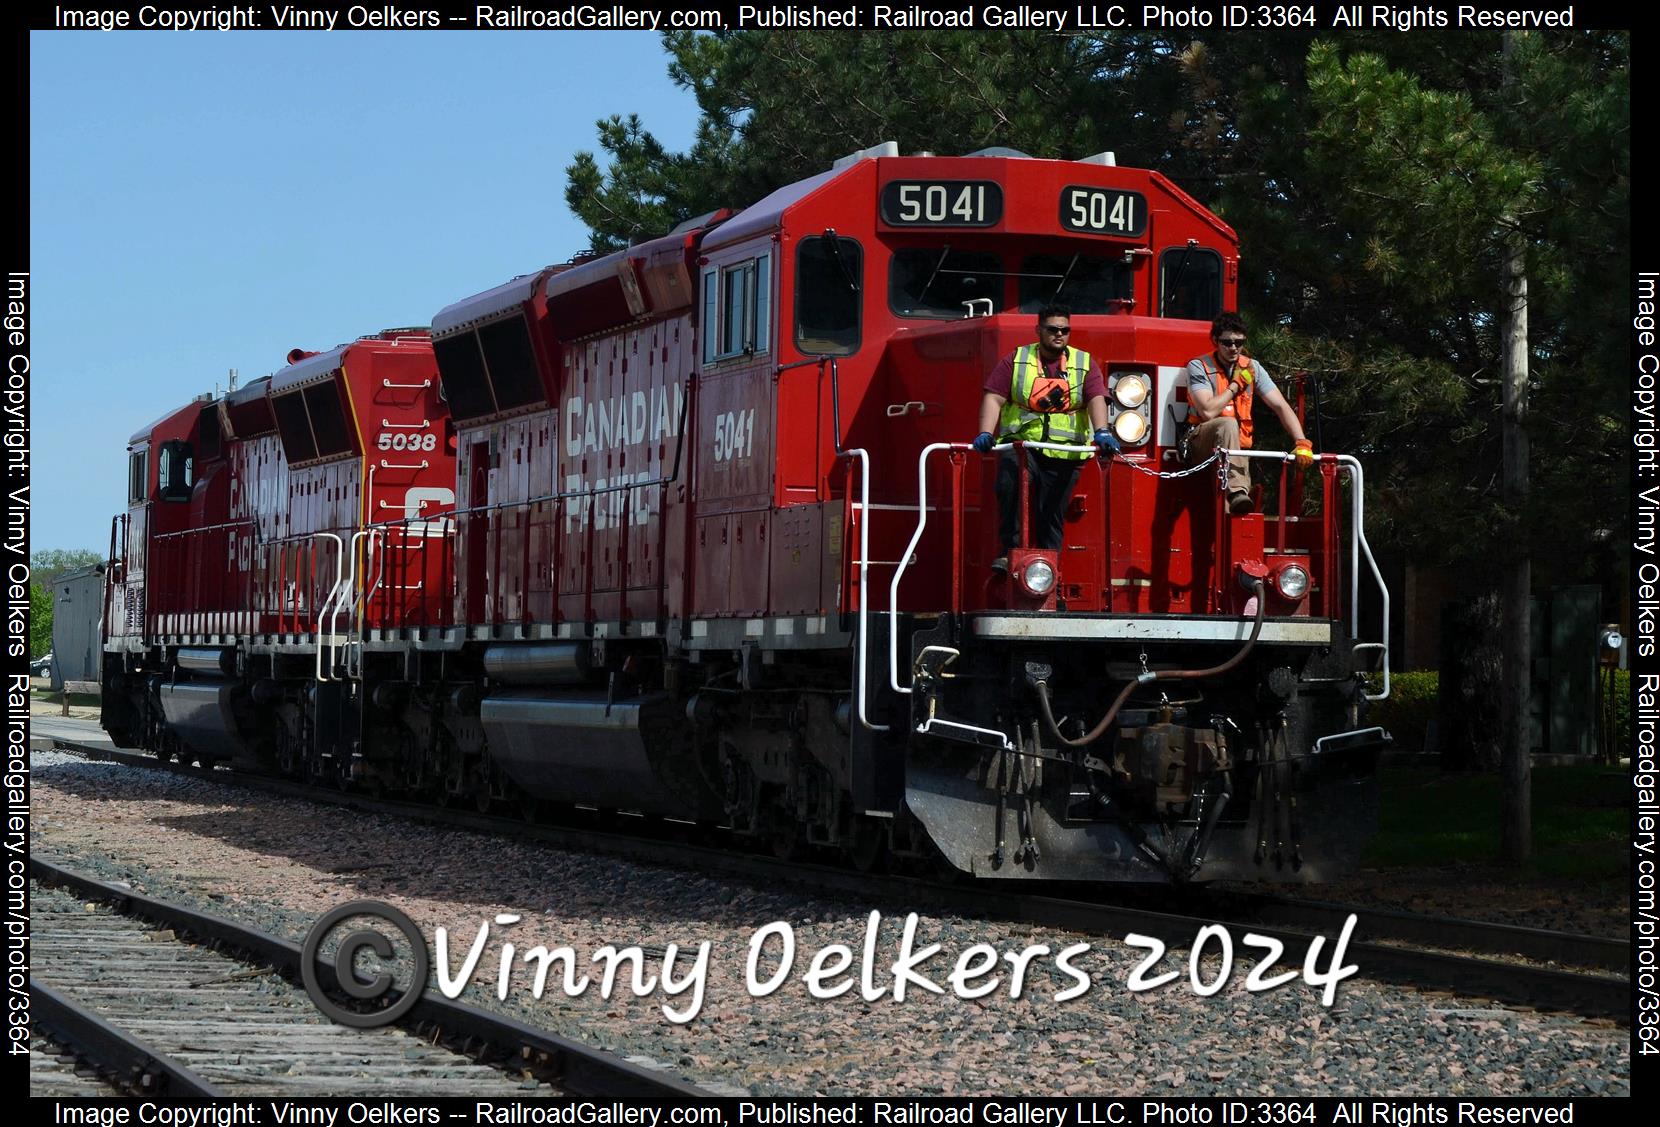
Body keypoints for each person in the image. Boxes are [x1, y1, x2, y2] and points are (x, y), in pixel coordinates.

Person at [972, 305, 1115, 566]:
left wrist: (1102, 431)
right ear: (1039, 330)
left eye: (1064, 330)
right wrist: (984, 432)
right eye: (1052, 329)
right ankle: (1010, 554)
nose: (1059, 334)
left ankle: (1047, 575)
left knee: (1051, 515)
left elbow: (1096, 397)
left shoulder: (1084, 363)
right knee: (1008, 485)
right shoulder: (1015, 360)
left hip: (1066, 452)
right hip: (1022, 447)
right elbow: (993, 397)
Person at [1182, 312, 1314, 515]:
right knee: (1227, 424)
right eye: (1227, 342)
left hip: (1235, 450)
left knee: (1232, 514)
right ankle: (1236, 491)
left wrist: (1301, 442)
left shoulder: (1252, 368)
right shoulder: (1199, 366)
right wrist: (1236, 385)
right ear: (1215, 340)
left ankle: (1236, 499)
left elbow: (1281, 406)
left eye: (1239, 342)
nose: (1233, 347)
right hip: (1201, 441)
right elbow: (1207, 411)